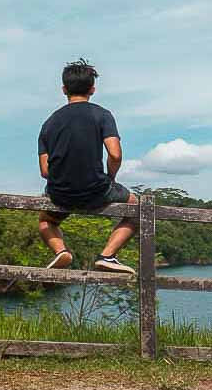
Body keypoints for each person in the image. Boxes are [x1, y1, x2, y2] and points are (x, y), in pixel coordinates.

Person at [36, 59, 138, 274]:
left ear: (64, 89)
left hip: (60, 194)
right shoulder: (102, 115)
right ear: (93, 89)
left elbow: (45, 171)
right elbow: (115, 154)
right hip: (97, 191)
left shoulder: (49, 123)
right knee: (135, 208)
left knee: (46, 221)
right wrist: (110, 178)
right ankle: (108, 256)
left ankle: (61, 251)